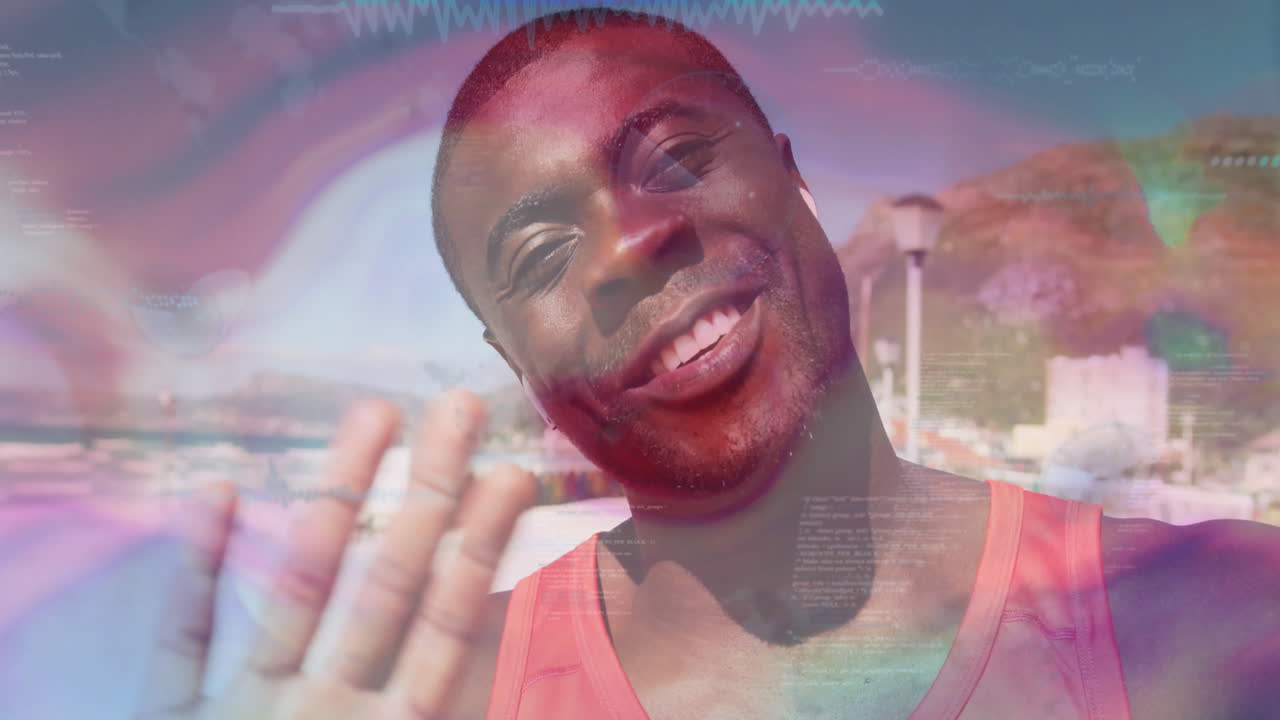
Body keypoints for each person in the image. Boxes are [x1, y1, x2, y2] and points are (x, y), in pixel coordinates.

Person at [135, 9, 1280, 720]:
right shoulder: (438, 697)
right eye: (539, 253)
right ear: (515, 364)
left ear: (793, 181)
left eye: (678, 157)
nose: (634, 240)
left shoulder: (1215, 622)